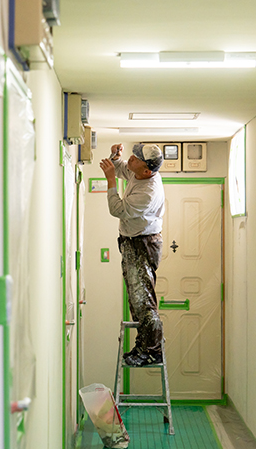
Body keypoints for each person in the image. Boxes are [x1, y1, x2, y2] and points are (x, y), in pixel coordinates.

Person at [99, 143, 165, 367]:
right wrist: (114, 157)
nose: (130, 159)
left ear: (147, 171)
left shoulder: (148, 193)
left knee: (143, 300)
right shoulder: (140, 172)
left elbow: (117, 209)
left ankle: (153, 351)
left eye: (136, 158)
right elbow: (121, 167)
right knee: (136, 301)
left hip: (142, 244)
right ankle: (142, 345)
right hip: (133, 241)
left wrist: (109, 181)